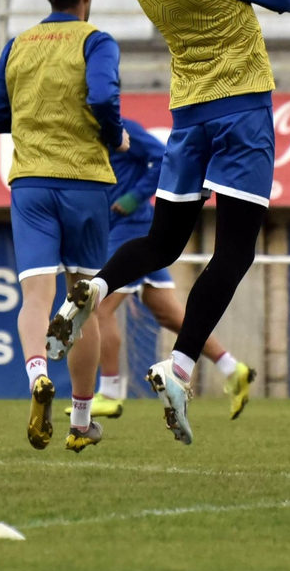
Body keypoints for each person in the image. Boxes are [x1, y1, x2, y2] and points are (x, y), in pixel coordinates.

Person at [46, 0, 290, 445]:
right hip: (242, 111)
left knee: (162, 241)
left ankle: (91, 290)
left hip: (189, 115)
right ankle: (178, 366)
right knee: (236, 251)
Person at [0, 0, 126, 453]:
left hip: (32, 185)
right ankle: (81, 422)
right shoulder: (96, 41)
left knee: (36, 298)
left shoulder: (19, 44)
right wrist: (114, 134)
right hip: (84, 180)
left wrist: (31, 120)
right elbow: (104, 99)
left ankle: (37, 375)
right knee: (83, 300)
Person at [78, 119, 257, 422]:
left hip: (132, 229)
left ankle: (109, 393)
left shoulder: (122, 127)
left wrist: (136, 196)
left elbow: (162, 156)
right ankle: (231, 368)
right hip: (117, 228)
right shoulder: (81, 129)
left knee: (99, 308)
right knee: (170, 315)